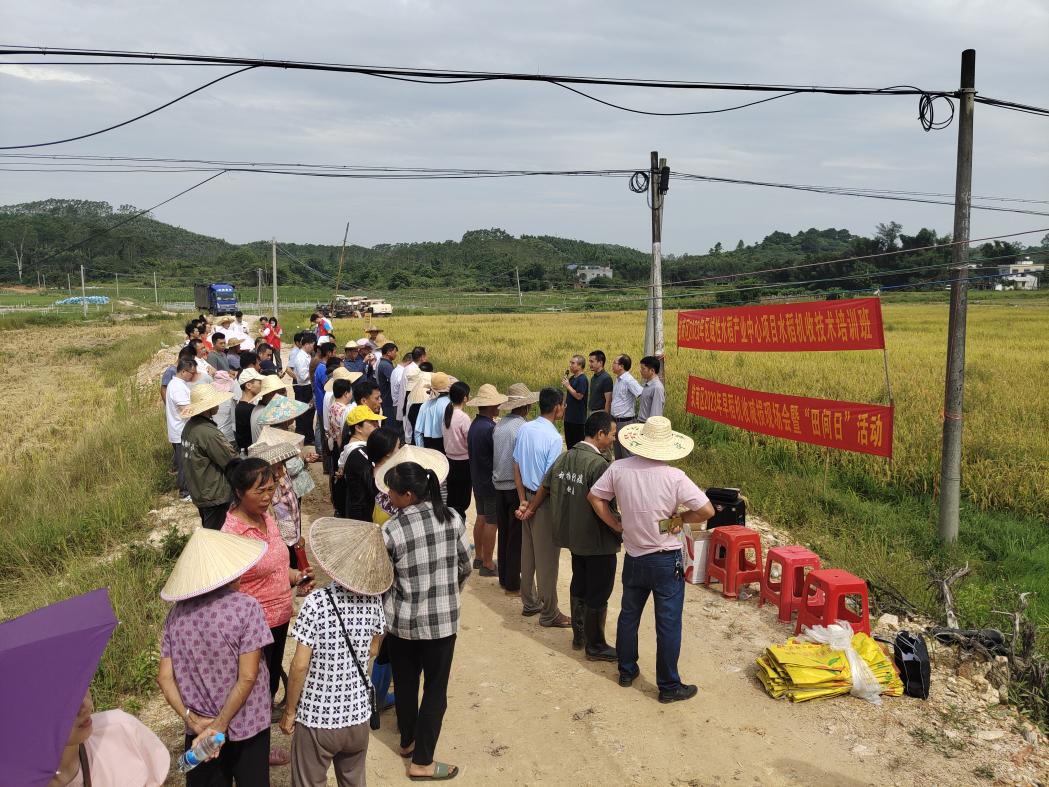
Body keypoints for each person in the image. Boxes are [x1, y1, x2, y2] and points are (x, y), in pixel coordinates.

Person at [587, 416, 715, 703]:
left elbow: (595, 497)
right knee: (668, 623)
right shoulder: (674, 477)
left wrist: (615, 523)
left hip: (634, 556)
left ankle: (626, 669)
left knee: (629, 615)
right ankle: (668, 686)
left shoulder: (618, 469)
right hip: (665, 558)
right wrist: (681, 518)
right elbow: (707, 510)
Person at [157, 527, 274, 786]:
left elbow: (164, 679)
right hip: (247, 726)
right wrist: (220, 726)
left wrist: (194, 721)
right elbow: (248, 676)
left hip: (200, 731)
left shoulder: (176, 615)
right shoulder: (246, 608)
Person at [280, 518, 392, 787]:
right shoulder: (374, 600)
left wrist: (290, 711)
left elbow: (299, 666)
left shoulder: (317, 603)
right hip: (357, 717)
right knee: (354, 780)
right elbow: (373, 649)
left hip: (318, 717)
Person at [381, 460, 471, 781]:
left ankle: (408, 743)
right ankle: (423, 761)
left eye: (391, 490)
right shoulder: (452, 518)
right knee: (435, 690)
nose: (387, 495)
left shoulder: (391, 529)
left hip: (402, 624)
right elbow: (466, 564)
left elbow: (382, 579)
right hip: (442, 624)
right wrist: (450, 593)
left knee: (405, 683)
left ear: (406, 495)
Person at [221, 457, 314, 766]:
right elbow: (228, 591)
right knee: (249, 691)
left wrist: (298, 577)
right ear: (238, 491)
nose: (267, 497)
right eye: (259, 491)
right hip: (251, 629)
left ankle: (257, 751)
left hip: (279, 621)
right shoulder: (232, 533)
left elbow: (276, 567)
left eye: (271, 489)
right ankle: (246, 756)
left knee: (269, 687)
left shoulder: (268, 518)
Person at [520, 411, 620, 660]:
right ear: (600, 434)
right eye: (612, 435)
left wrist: (530, 509)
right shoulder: (598, 465)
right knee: (599, 591)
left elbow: (544, 487)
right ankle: (595, 645)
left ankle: (579, 636)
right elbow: (602, 503)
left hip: (574, 538)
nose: (613, 441)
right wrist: (618, 527)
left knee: (580, 583)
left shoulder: (565, 458)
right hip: (597, 540)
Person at [512, 387, 569, 628]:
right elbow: (548, 480)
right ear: (557, 407)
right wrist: (533, 506)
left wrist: (522, 500)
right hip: (542, 503)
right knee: (547, 560)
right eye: (563, 405)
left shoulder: (525, 428)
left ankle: (529, 602)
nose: (564, 409)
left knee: (529, 553)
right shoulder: (554, 438)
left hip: (527, 497)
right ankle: (549, 612)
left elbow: (515, 464)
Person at [49, 689, 169, 787]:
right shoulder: (32, 779)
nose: (85, 705)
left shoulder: (121, 730)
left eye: (80, 685)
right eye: (61, 700)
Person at [491, 383, 536, 595]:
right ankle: (512, 583)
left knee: (505, 532)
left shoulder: (499, 425)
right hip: (514, 486)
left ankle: (503, 577)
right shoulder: (522, 427)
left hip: (499, 484)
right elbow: (522, 461)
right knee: (516, 537)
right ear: (525, 406)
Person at [466, 384, 507, 577]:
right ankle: (489, 563)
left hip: (477, 479)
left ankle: (480, 556)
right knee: (493, 521)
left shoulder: (476, 424)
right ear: (491, 406)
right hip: (490, 482)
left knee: (481, 517)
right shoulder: (490, 428)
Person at [337, 405, 386, 520]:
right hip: (364, 516)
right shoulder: (360, 454)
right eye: (372, 422)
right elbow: (373, 488)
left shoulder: (353, 448)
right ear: (358, 428)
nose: (377, 425)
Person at [165, 356, 196, 501]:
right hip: (181, 430)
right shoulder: (177, 387)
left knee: (187, 461)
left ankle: (187, 489)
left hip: (180, 429)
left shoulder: (178, 383)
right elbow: (185, 409)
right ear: (183, 371)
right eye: (191, 373)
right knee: (185, 463)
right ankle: (184, 492)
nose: (193, 376)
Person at [442, 381, 472, 522]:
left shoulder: (447, 414)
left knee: (452, 498)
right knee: (462, 502)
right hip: (463, 463)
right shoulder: (463, 417)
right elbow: (469, 441)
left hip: (449, 461)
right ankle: (460, 532)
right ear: (465, 398)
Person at [610, 354, 643, 459]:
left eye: (614, 363)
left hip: (625, 421)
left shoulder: (629, 380)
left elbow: (641, 394)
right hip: (616, 421)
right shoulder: (618, 379)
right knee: (618, 452)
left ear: (621, 366)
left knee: (627, 453)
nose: (612, 365)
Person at [365, 427, 401, 524]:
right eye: (398, 446)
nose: (400, 450)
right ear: (388, 452)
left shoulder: (369, 471)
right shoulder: (388, 480)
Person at [288, 332, 316, 444]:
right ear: (307, 344)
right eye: (313, 344)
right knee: (305, 414)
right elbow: (303, 377)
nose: (313, 347)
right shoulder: (300, 357)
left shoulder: (307, 355)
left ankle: (308, 436)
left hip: (307, 387)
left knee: (309, 414)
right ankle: (307, 438)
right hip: (304, 388)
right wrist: (314, 371)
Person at [414, 372, 452, 451]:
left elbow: (418, 432)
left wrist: (421, 450)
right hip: (445, 444)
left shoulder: (425, 405)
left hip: (428, 443)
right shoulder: (449, 405)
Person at [562, 354, 589, 450]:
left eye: (573, 363)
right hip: (568, 417)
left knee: (577, 446)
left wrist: (568, 386)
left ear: (580, 365)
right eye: (570, 363)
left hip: (578, 419)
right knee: (569, 445)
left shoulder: (582, 379)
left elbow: (579, 396)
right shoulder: (572, 378)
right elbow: (568, 394)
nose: (570, 365)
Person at [235, 368, 264, 454]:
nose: (261, 385)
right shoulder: (247, 409)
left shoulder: (241, 405)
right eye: (259, 383)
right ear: (248, 386)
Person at [389, 351, 412, 438]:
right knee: (402, 433)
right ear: (410, 362)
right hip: (400, 405)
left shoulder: (396, 370)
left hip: (397, 404)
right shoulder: (402, 373)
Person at [637, 355, 666, 421]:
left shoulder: (657, 387)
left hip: (648, 425)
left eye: (643, 368)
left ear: (652, 370)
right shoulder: (648, 384)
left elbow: (656, 413)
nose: (640, 371)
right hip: (642, 422)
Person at [376, 342, 399, 422]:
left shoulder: (382, 363)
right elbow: (395, 381)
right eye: (395, 352)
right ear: (389, 352)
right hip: (388, 398)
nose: (396, 354)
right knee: (390, 421)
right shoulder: (386, 365)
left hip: (385, 396)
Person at [588, 350, 613, 415]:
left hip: (600, 413)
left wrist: (606, 417)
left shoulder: (606, 378)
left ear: (600, 362)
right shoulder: (593, 378)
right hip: (592, 412)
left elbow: (608, 400)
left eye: (592, 362)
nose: (589, 364)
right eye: (589, 361)